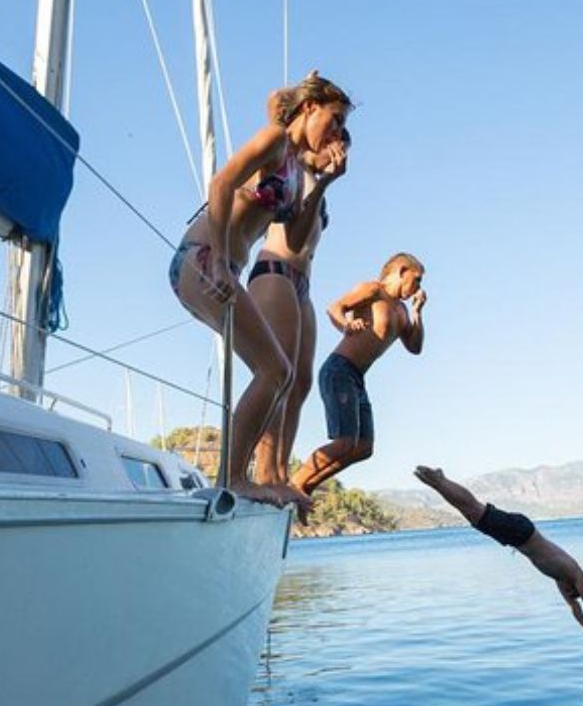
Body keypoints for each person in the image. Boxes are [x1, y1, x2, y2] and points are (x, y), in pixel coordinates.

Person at [168, 70, 351, 509]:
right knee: (276, 371)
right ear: (310, 108)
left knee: (280, 373)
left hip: (220, 267)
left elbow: (294, 234)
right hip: (202, 259)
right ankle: (234, 477)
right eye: (335, 119)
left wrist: (325, 181)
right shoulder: (274, 140)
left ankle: (247, 478)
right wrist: (224, 262)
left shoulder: (293, 169)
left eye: (344, 127)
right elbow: (221, 183)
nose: (339, 133)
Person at [412, 465, 583, 648]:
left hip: (516, 538)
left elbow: (574, 607)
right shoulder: (577, 575)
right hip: (522, 532)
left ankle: (438, 485)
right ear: (576, 588)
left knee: (473, 517)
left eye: (569, 592)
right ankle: (441, 480)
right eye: (572, 591)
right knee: (476, 510)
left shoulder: (561, 581)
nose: (568, 592)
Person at [250, 128, 351, 490]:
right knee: (280, 375)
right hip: (276, 271)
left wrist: (325, 185)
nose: (340, 153)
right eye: (337, 143)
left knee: (301, 383)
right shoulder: (291, 165)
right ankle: (264, 473)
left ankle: (278, 473)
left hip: (301, 283)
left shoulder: (318, 182)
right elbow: (291, 235)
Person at [289, 253, 427, 495]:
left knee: (363, 447)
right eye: (417, 279)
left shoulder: (403, 311)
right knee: (345, 441)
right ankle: (295, 483)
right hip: (339, 369)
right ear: (402, 271)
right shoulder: (373, 290)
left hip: (357, 378)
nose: (418, 286)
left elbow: (415, 348)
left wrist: (417, 312)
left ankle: (307, 485)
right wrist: (345, 324)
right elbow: (335, 308)